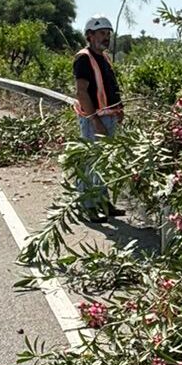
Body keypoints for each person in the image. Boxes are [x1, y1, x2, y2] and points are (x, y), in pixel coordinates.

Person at [72, 15, 125, 220]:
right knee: (91, 163)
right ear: (90, 35)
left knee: (103, 164)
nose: (106, 37)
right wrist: (95, 120)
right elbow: (82, 92)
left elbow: (111, 88)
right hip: (94, 120)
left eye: (108, 34)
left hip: (108, 118)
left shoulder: (104, 58)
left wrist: (119, 110)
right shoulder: (83, 58)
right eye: (102, 33)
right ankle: (87, 206)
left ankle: (102, 202)